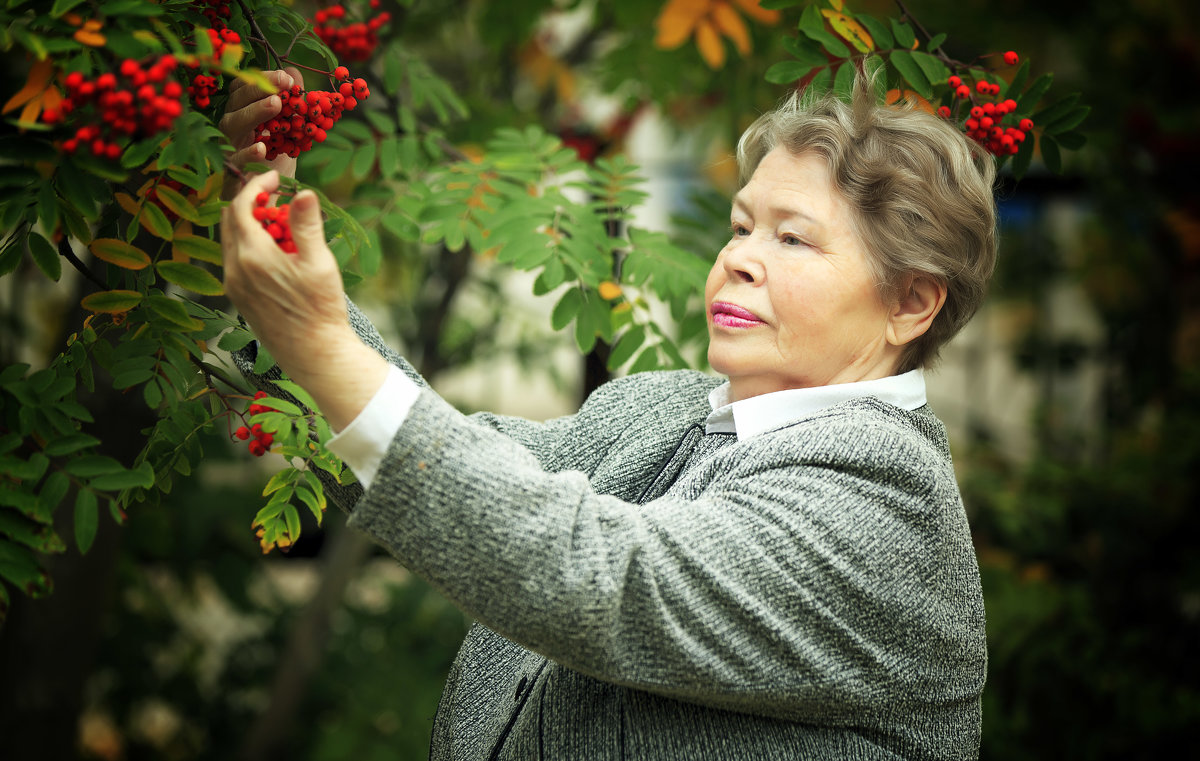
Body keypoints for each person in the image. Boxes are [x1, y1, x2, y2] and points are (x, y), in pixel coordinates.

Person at [219, 63, 995, 760]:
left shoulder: (887, 500)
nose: (739, 257)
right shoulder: (657, 405)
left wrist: (323, 346)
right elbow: (457, 472)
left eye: (792, 238)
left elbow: (598, 575)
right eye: (739, 225)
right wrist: (270, 252)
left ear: (910, 302)